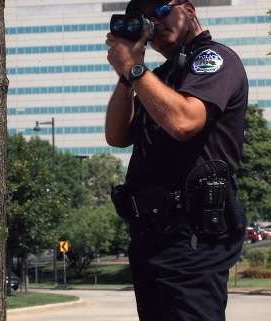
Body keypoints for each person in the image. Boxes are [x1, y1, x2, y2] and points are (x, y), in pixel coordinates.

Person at [106, 1, 247, 320]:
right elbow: (117, 136)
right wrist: (127, 75)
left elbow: (185, 122)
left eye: (160, 10)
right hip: (151, 235)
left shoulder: (214, 59)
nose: (153, 23)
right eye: (143, 20)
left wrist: (134, 70)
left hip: (191, 235)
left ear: (188, 8)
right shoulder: (156, 78)